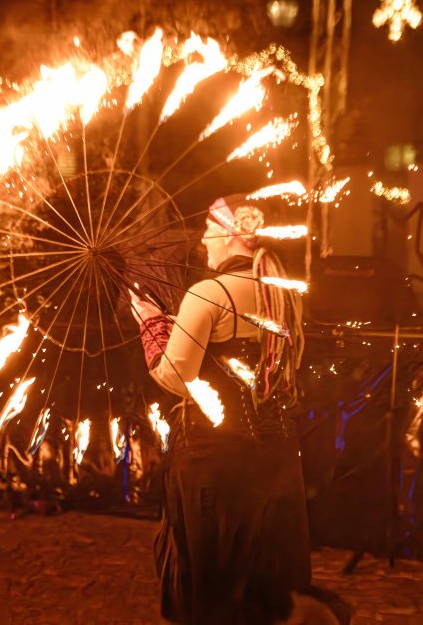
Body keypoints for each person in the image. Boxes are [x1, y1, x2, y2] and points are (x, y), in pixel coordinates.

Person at [130, 194, 311, 624]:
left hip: (217, 462)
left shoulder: (208, 293)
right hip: (276, 457)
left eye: (211, 228)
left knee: (219, 583)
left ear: (232, 233)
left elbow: (177, 376)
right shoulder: (282, 292)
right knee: (268, 578)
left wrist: (151, 324)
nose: (203, 240)